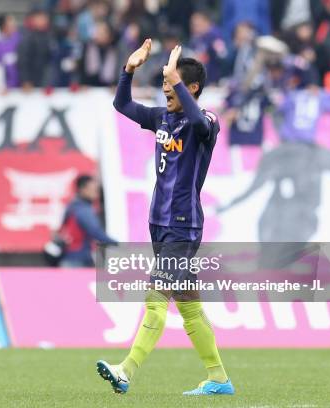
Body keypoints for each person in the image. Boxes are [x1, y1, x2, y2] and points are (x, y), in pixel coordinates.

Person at [96, 40, 235, 396]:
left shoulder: (205, 121)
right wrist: (128, 70)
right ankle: (219, 378)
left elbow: (199, 125)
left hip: (183, 225)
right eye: (164, 86)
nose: (166, 91)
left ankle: (125, 370)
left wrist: (174, 76)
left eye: (173, 85)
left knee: (156, 297)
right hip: (158, 223)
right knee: (189, 304)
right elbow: (121, 104)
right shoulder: (161, 118)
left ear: (192, 89)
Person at [59, 175, 117, 268]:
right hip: (77, 262)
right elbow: (95, 232)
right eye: (93, 189)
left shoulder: (72, 206)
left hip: (71, 258)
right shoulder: (83, 209)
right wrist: (117, 244)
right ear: (82, 189)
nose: (96, 193)